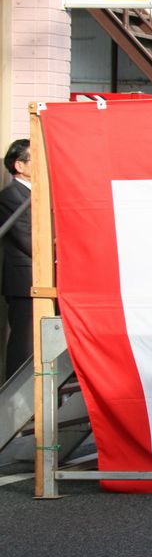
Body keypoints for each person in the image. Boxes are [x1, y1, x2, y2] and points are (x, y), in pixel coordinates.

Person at [0, 140, 33, 381]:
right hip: (25, 281)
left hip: (44, 280)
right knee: (24, 345)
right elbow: (28, 239)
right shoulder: (11, 195)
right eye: (36, 159)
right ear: (19, 165)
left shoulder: (37, 193)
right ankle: (16, 403)